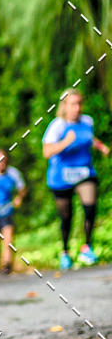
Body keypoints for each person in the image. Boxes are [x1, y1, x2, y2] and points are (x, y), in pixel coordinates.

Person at [42, 89, 109, 269]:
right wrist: (65, 142)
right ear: (64, 106)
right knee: (66, 216)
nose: (77, 108)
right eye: (73, 104)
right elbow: (47, 152)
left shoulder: (87, 121)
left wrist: (100, 146)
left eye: (79, 103)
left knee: (90, 207)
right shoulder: (58, 126)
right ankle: (65, 251)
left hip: (84, 172)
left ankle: (87, 247)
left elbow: (88, 137)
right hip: (61, 176)